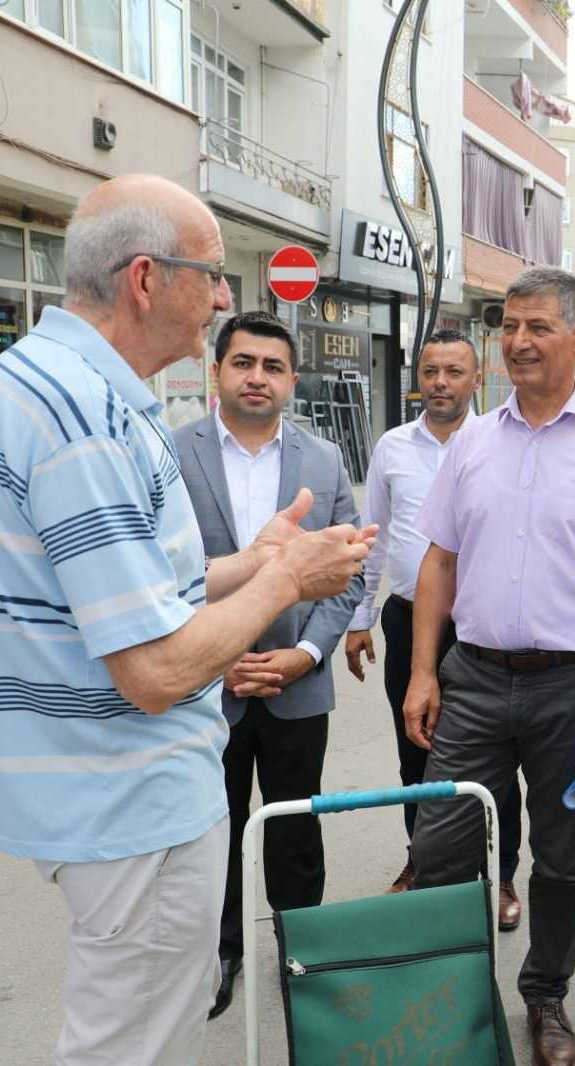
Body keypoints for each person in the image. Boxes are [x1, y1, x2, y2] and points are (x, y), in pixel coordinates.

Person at [0, 174, 373, 1066]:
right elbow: (157, 671)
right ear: (146, 278)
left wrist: (248, 563)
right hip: (127, 801)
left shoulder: (49, 386)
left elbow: (129, 586)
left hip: (104, 796)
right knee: (134, 1046)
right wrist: (285, 577)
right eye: (212, 275)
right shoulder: (81, 416)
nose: (222, 299)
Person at [401, 267, 575, 1066]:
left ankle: (546, 997)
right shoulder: (472, 445)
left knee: (563, 859)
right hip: (477, 681)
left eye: (537, 328)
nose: (519, 342)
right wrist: (424, 674)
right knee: (443, 850)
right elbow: (438, 563)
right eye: (509, 328)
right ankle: (451, 999)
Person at [172, 310, 362, 1020]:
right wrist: (210, 655)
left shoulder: (324, 461)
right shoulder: (169, 453)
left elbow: (352, 573)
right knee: (209, 827)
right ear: (216, 371)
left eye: (273, 366)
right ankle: (219, 951)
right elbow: (160, 576)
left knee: (293, 826)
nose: (257, 377)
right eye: (243, 362)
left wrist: (304, 653)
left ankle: (300, 948)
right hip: (200, 687)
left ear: (291, 381)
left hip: (294, 684)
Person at [345, 329, 525, 931]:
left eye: (453, 372)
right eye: (430, 372)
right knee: (414, 750)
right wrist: (360, 618)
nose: (440, 383)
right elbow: (373, 540)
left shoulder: (502, 442)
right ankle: (421, 865)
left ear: (478, 379)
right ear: (417, 378)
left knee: (494, 758)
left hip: (479, 625)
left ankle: (498, 877)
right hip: (405, 617)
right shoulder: (393, 447)